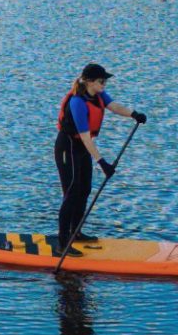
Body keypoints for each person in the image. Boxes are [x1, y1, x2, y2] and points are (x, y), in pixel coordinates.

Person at [55, 63, 146, 254]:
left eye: (105, 80)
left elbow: (114, 106)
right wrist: (102, 162)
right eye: (101, 81)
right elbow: (86, 137)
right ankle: (62, 244)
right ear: (89, 82)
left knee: (85, 189)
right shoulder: (77, 102)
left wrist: (133, 114)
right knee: (71, 193)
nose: (104, 84)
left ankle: (76, 232)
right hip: (68, 147)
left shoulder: (98, 95)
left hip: (82, 147)